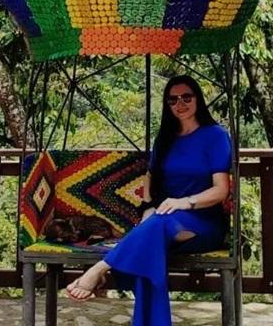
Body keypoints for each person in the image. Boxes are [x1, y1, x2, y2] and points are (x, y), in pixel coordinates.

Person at [65, 74, 233, 325]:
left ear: (198, 98)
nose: (180, 104)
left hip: (203, 223)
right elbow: (150, 178)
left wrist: (184, 202)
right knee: (152, 244)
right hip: (164, 220)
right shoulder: (165, 138)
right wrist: (147, 209)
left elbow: (221, 190)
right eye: (173, 99)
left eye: (186, 97)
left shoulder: (216, 135)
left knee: (157, 227)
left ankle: (100, 268)